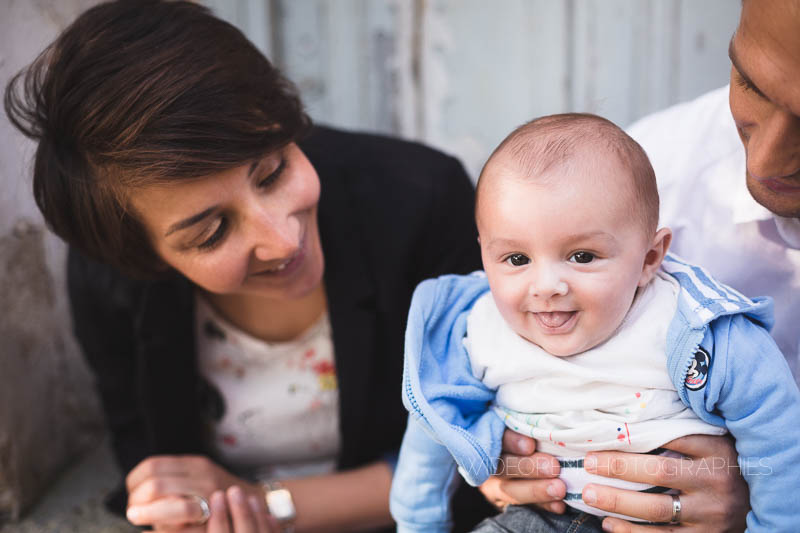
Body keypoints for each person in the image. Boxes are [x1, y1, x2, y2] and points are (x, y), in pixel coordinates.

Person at [3, 1, 496, 531]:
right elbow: (145, 455)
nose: (282, 240)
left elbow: (487, 450)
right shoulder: (110, 280)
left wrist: (267, 505)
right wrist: (169, 503)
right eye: (211, 233)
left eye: (273, 172)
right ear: (146, 259)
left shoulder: (420, 199)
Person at [389, 114, 800, 533]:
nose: (546, 286)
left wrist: (773, 525)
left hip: (666, 518)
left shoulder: (692, 327)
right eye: (517, 259)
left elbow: (776, 427)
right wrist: (418, 522)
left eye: (582, 256)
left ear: (649, 258)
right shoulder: (476, 329)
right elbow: (433, 422)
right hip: (535, 517)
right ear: (484, 256)